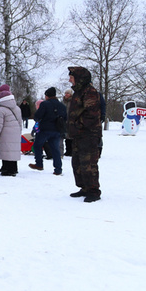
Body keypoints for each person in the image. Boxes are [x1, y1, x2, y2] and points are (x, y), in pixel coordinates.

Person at [67, 66, 103, 202]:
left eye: (72, 77)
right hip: (79, 134)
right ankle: (85, 187)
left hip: (88, 134)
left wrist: (77, 125)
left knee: (88, 163)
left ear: (79, 79)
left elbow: (91, 115)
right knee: (77, 162)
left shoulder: (90, 92)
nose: (70, 80)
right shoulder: (79, 92)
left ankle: (93, 190)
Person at [29, 87, 67, 175]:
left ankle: (39, 164)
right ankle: (58, 169)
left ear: (47, 96)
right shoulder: (62, 106)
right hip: (57, 130)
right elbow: (65, 118)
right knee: (55, 149)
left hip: (45, 129)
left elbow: (37, 116)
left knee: (37, 145)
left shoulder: (44, 104)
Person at [0, 84, 23, 176]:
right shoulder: (17, 108)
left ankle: (8, 169)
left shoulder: (0, 109)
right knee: (12, 150)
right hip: (15, 132)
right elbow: (20, 121)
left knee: (5, 150)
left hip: (5, 133)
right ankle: (12, 168)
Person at [62, 89, 73, 156]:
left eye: (68, 93)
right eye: (65, 93)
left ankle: (71, 150)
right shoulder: (63, 102)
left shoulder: (73, 101)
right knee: (66, 136)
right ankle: (68, 150)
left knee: (71, 136)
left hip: (71, 120)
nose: (66, 95)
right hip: (65, 120)